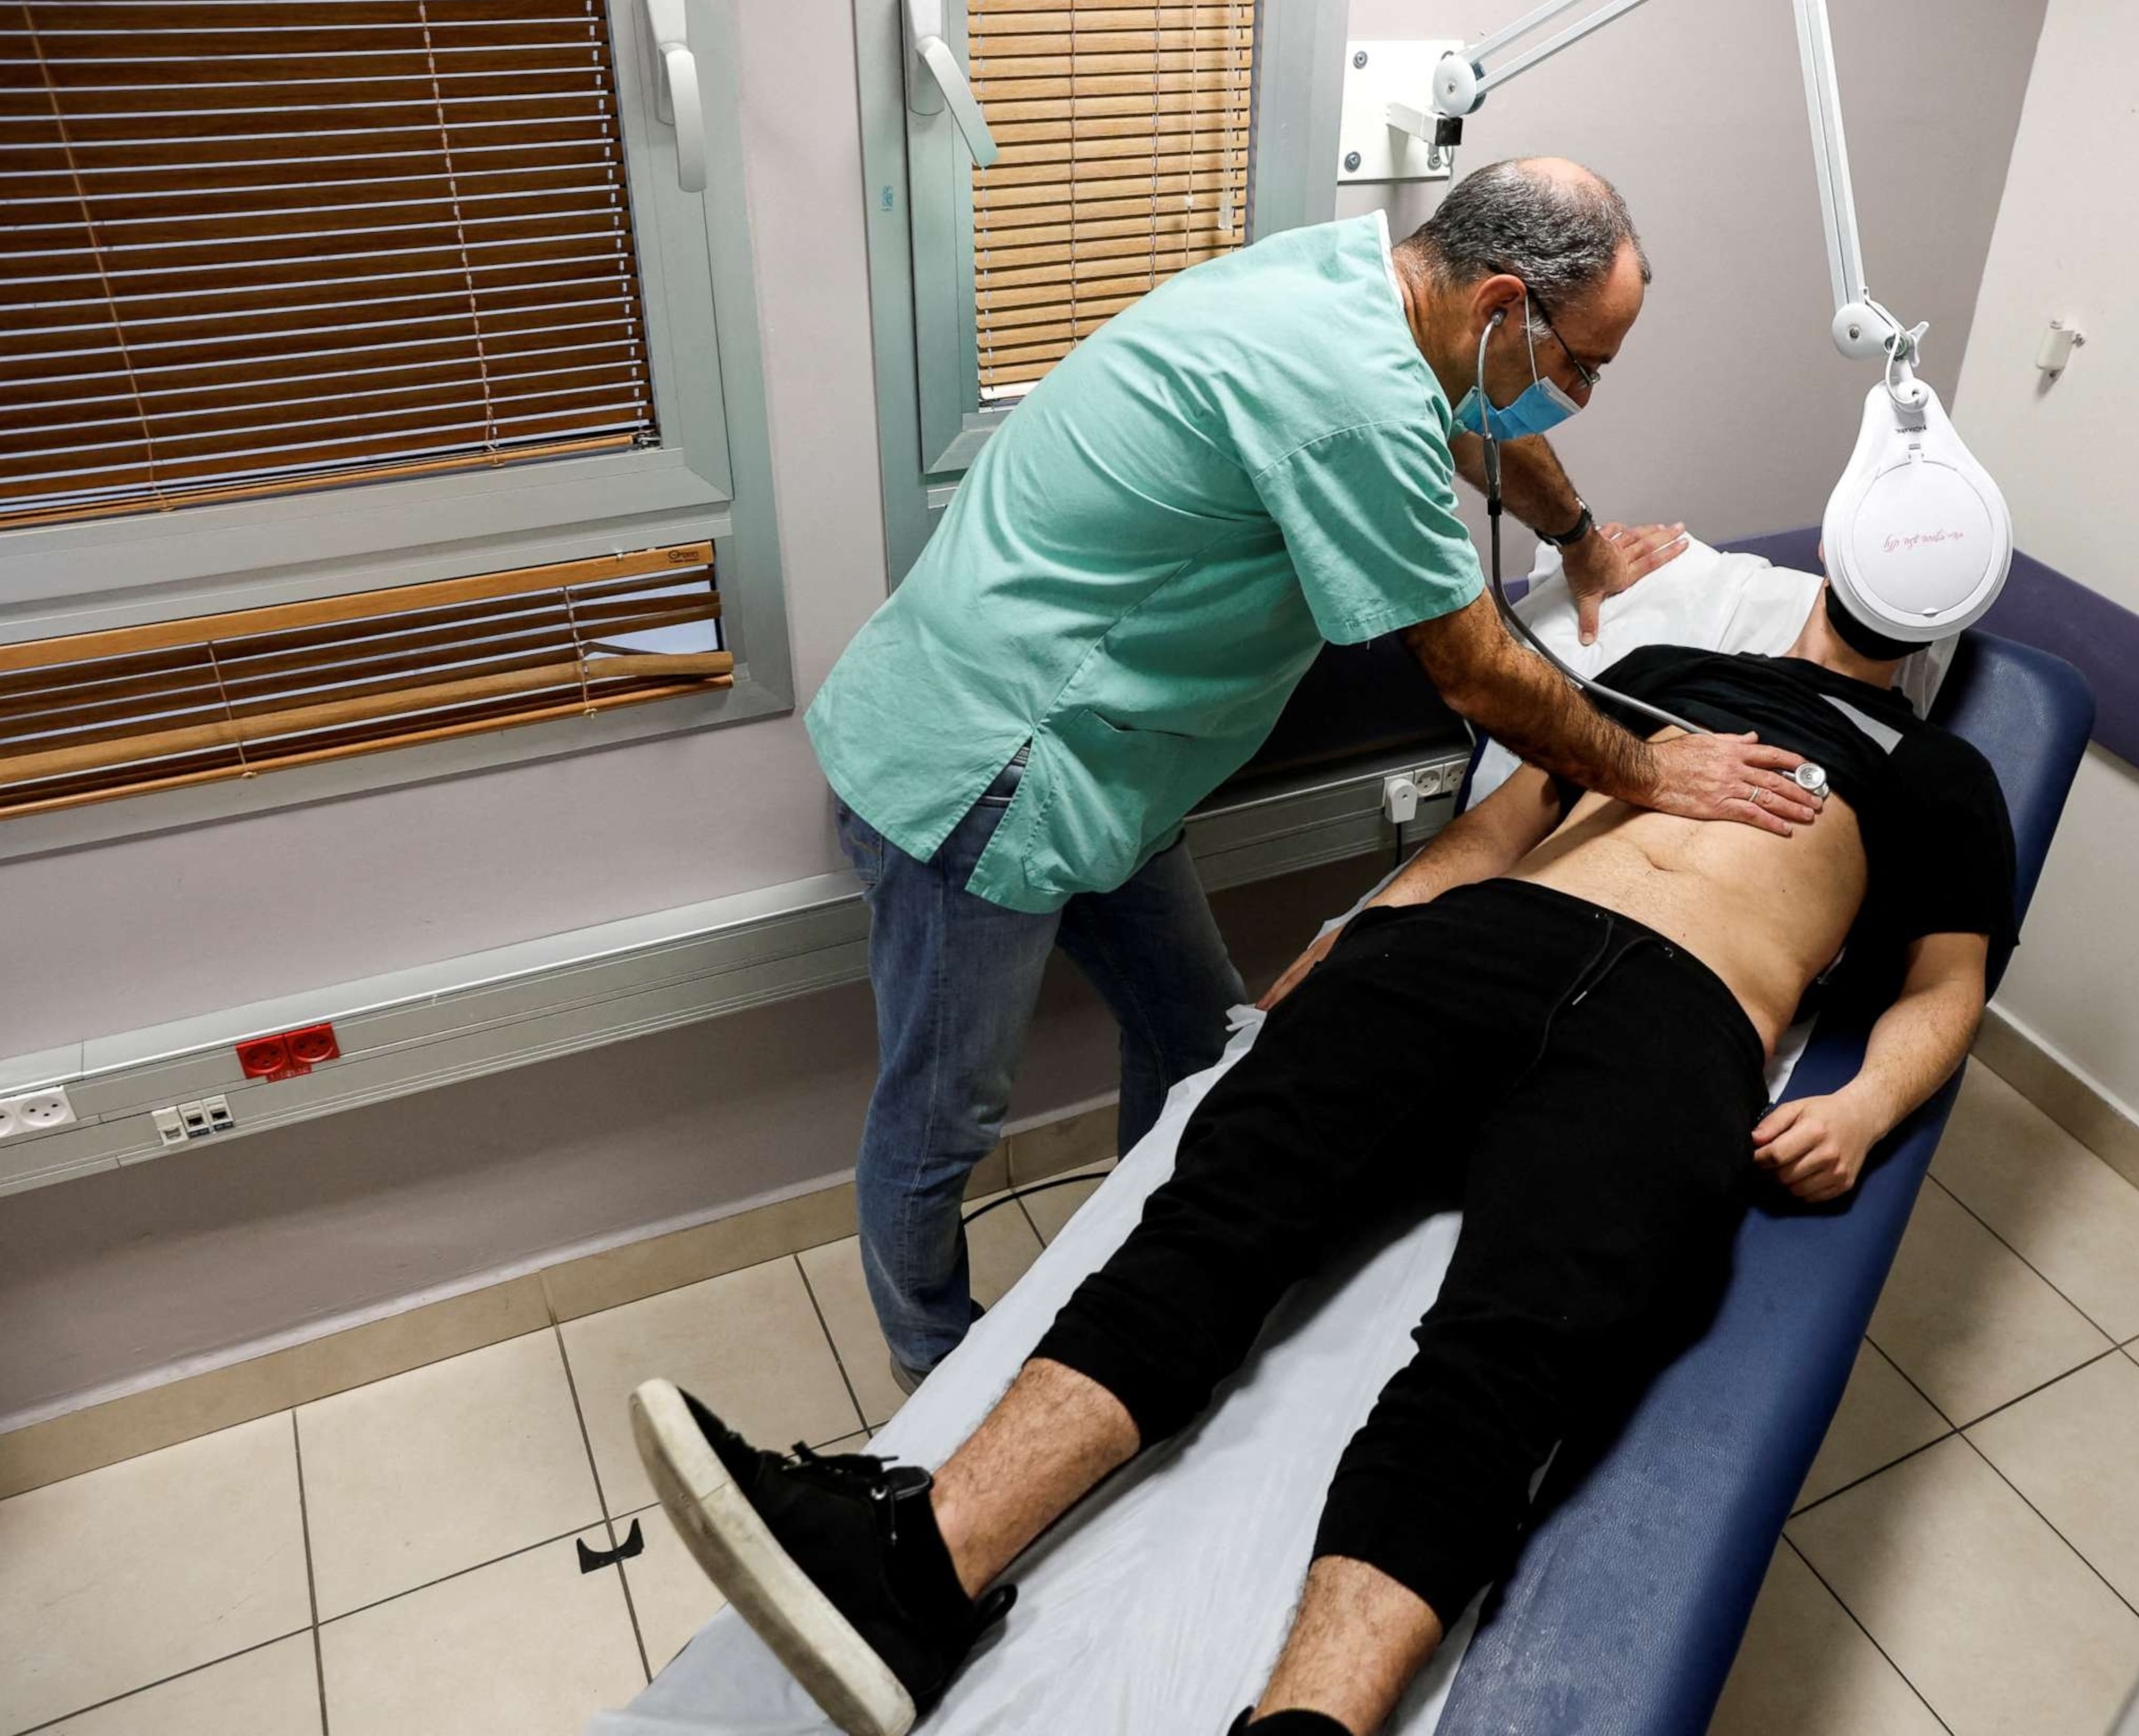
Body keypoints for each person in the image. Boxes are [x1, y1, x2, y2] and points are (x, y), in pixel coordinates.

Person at [633, 561, 2019, 1736]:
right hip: (1474, 949)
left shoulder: (1946, 778)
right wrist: (1366, 925)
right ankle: (913, 1573)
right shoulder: (1659, 664)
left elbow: (1944, 985)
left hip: (1685, 1018)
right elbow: (1501, 824)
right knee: (1218, 1217)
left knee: (1511, 1355)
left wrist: (1858, 1105)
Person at [806, 158, 1830, 1395]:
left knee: (1197, 1038)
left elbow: (1467, 415)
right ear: (1502, 303)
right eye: (1579, 365)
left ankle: (1135, 1284)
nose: (1579, 395)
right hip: (986, 769)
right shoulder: (1349, 393)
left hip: (1109, 770)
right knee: (941, 1122)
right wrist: (1651, 769)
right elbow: (1477, 675)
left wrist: (1577, 541)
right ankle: (935, 1369)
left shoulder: (1362, 281)